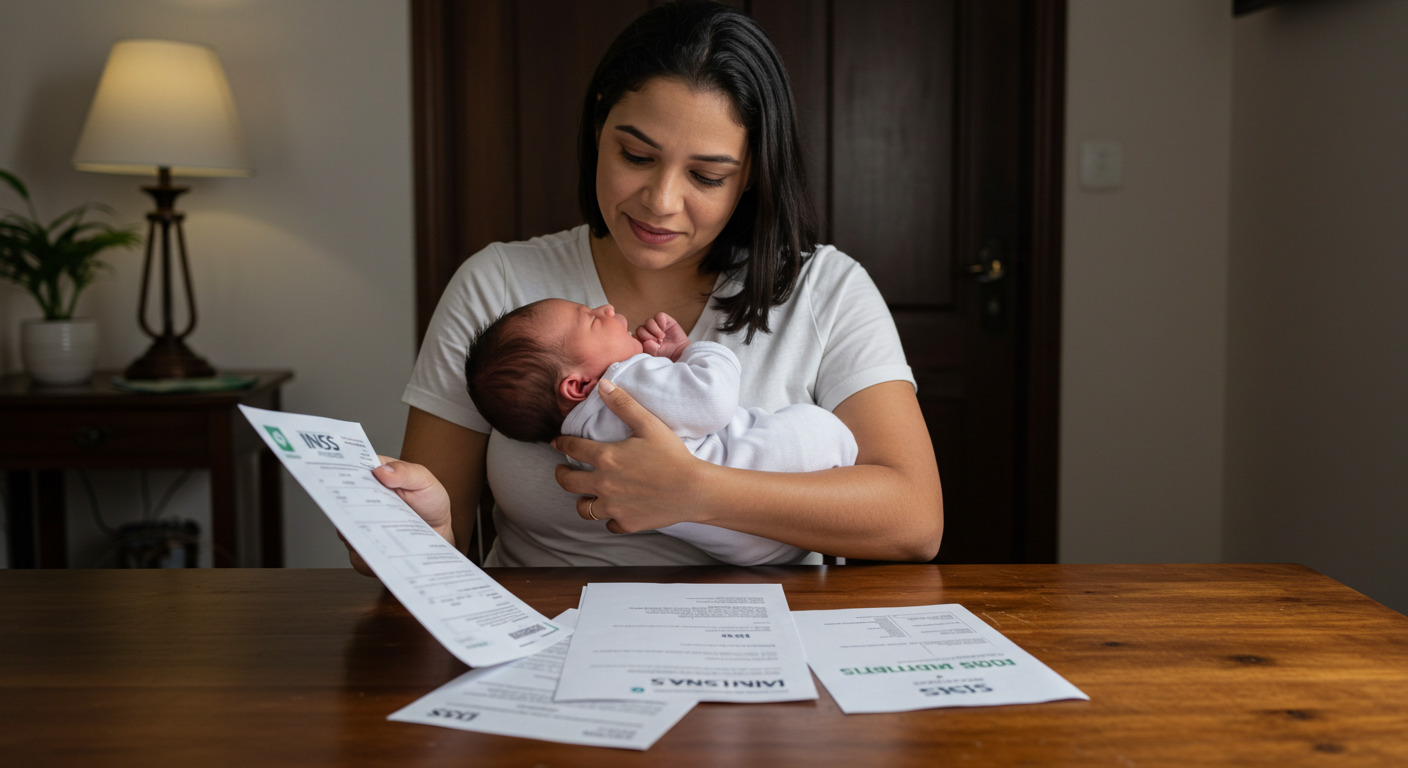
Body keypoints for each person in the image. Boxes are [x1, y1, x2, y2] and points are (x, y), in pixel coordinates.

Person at [347, 0, 942, 572]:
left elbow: (914, 521)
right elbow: (418, 541)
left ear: (754, 173)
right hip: (545, 626)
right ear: (599, 122)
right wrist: (411, 530)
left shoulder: (825, 288)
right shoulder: (498, 283)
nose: (660, 203)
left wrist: (697, 491)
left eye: (707, 176)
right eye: (636, 155)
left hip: (760, 638)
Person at [463, 298, 858, 565]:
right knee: (805, 423)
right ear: (579, 386)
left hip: (748, 551)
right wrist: (697, 353)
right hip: (788, 478)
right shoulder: (623, 380)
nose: (606, 308)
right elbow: (711, 401)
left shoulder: (581, 448)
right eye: (590, 319)